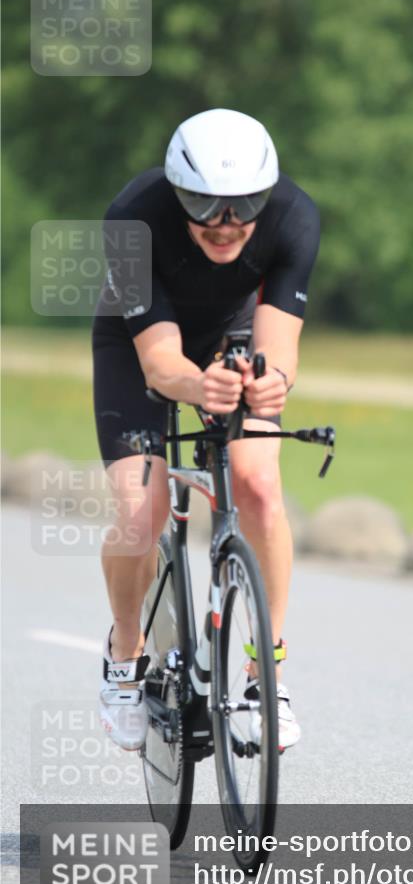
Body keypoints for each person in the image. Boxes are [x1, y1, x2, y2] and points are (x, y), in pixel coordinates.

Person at [92, 107, 320, 752]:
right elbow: (161, 363)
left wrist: (272, 380)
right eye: (204, 206)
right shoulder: (132, 218)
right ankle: (125, 652)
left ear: (266, 193)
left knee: (259, 488)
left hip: (233, 333)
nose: (226, 225)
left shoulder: (295, 216)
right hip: (139, 342)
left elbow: (281, 347)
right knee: (142, 512)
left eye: (243, 205)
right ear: (175, 192)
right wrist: (198, 386)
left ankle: (262, 675)